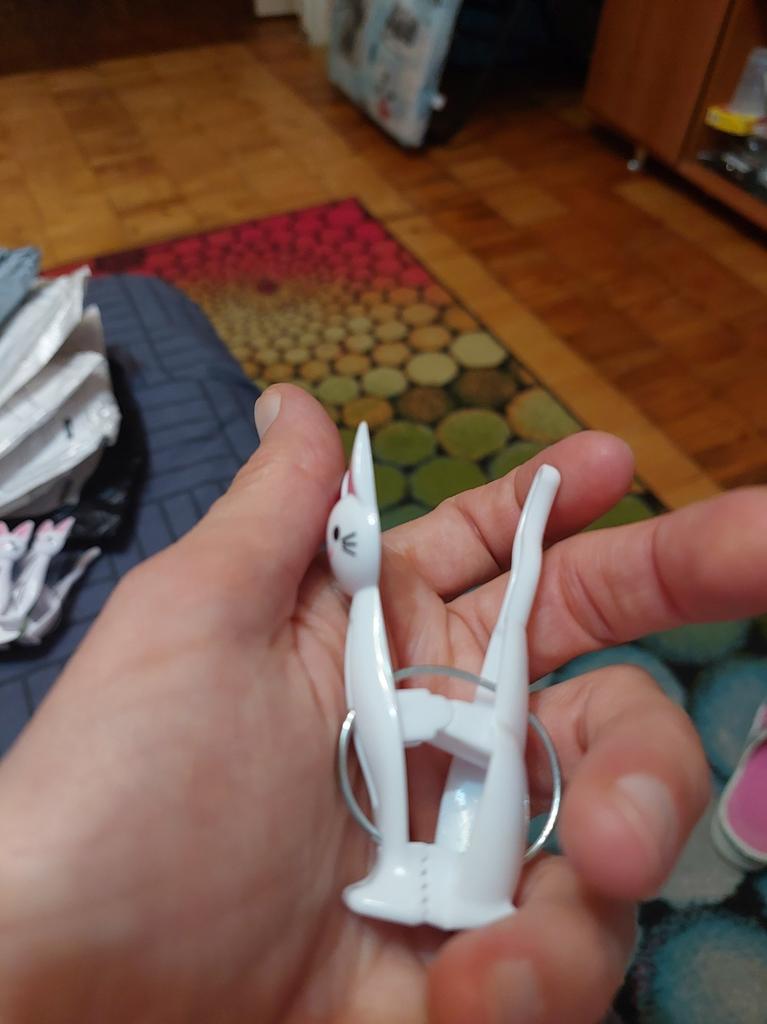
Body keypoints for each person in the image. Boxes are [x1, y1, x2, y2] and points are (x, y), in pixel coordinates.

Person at [0, 384, 764, 1024]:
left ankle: (462, 877)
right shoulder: (349, 623)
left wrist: (450, 711)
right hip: (396, 799)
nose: (347, 547)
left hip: (465, 796)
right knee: (482, 683)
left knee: (507, 656)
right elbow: (380, 731)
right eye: (345, 534)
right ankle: (412, 865)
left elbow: (471, 715)